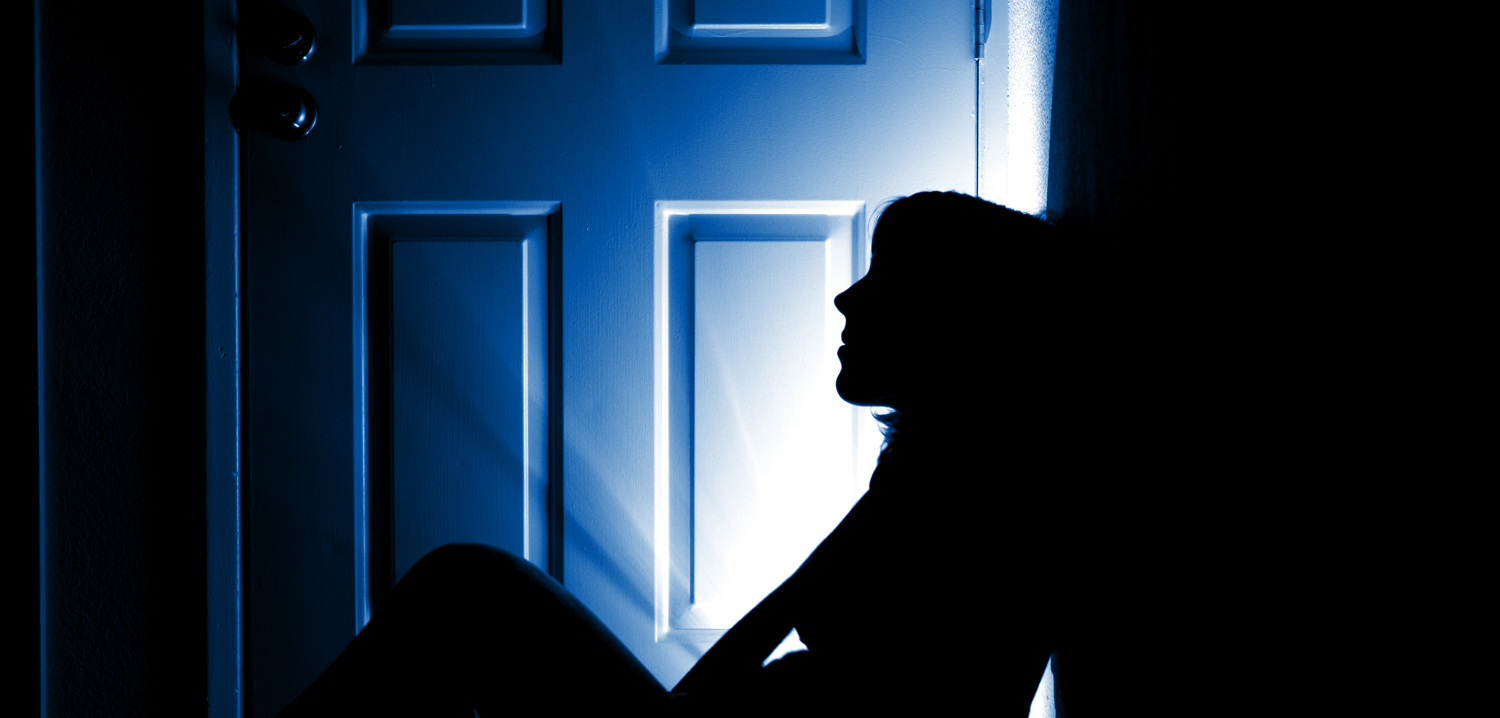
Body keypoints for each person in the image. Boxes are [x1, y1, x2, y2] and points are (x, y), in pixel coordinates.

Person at [279, 191, 1066, 716]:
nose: (846, 298)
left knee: (468, 586)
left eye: (886, 282)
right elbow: (786, 610)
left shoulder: (985, 492)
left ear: (956, 321)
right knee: (466, 590)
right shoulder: (932, 466)